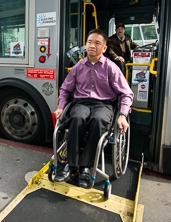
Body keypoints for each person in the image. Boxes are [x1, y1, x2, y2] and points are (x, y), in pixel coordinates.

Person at [53, 29, 134, 188]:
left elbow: (126, 93)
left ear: (104, 48)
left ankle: (86, 167)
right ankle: (71, 165)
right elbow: (65, 89)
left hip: (103, 104)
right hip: (81, 102)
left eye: (97, 43)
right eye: (90, 42)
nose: (92, 46)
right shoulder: (78, 67)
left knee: (99, 120)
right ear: (86, 45)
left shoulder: (111, 68)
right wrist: (61, 107)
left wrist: (123, 114)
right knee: (76, 118)